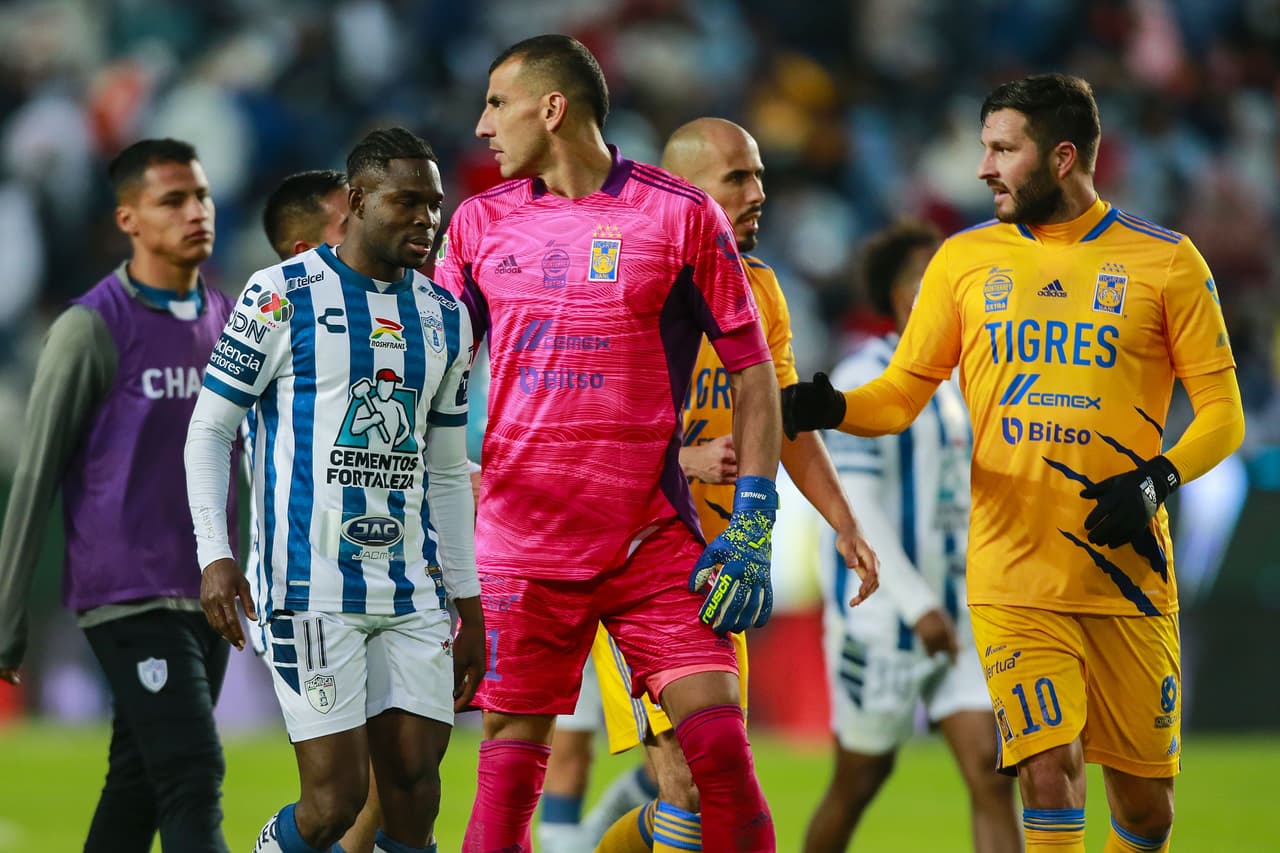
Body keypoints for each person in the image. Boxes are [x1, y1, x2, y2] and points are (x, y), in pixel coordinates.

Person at [783, 73, 1246, 852]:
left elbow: (1224, 415)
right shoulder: (964, 261)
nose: (983, 168)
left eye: (1003, 148)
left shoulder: (1166, 263)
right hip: (1010, 575)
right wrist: (833, 408)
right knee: (1045, 770)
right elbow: (900, 393)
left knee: (1146, 809)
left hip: (1125, 574)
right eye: (985, 147)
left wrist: (1155, 479)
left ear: (1063, 157)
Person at [438, 35, 865, 853]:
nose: (483, 125)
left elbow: (754, 374)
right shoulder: (478, 224)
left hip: (651, 542)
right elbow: (433, 372)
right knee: (504, 787)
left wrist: (751, 521)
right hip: (522, 549)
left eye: (497, 103)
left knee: (722, 761)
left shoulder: (677, 214)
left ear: (552, 108)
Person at [585, 117, 879, 853]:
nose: (760, 193)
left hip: (725, 564)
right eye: (738, 179)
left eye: (759, 175)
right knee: (686, 784)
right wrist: (682, 463)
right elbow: (572, 427)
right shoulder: (628, 279)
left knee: (698, 795)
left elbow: (777, 419)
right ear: (686, 192)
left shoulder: (762, 290)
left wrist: (843, 520)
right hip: (637, 565)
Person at [186, 127, 484, 853]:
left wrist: (468, 600)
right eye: (407, 201)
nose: (426, 219)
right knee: (333, 802)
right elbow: (209, 430)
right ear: (355, 201)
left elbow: (445, 468)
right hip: (307, 585)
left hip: (412, 589)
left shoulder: (446, 315)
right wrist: (215, 555)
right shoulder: (278, 295)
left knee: (415, 790)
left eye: (435, 204)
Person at [0, 138, 236, 851]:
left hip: (210, 596)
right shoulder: (89, 328)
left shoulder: (228, 319)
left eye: (201, 195)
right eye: (172, 200)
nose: (196, 212)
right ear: (128, 219)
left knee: (136, 781)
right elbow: (35, 475)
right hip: (128, 594)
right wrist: (8, 617)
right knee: (194, 770)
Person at [801, 220, 1020, 852]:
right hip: (884, 618)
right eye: (931, 281)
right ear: (900, 296)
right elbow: (858, 504)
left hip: (961, 612)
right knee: (860, 779)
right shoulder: (863, 375)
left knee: (990, 770)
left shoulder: (957, 380)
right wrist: (918, 606)